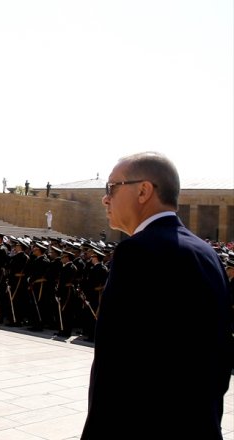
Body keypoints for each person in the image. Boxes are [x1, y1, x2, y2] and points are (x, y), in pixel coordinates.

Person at [81, 152, 233, 439]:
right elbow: (220, 355)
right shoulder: (206, 252)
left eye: (112, 187)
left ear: (143, 190)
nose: (105, 198)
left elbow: (115, 365)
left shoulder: (137, 252)